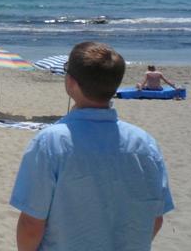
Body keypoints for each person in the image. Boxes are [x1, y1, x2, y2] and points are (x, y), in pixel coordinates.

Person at [10, 41, 174, 251]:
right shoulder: (145, 143)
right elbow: (156, 218)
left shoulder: (49, 143)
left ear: (70, 82)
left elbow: (31, 224)